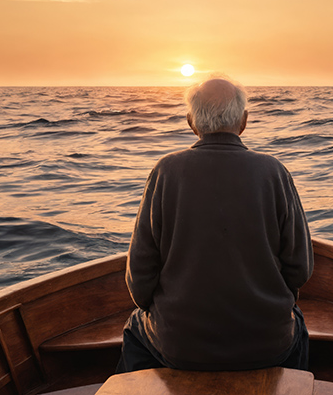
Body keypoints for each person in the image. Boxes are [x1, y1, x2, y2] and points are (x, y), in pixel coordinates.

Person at [116, 75, 313, 373]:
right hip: (267, 344)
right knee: (296, 330)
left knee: (134, 328)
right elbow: (300, 268)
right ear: (244, 121)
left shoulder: (165, 171)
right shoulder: (274, 172)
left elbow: (140, 277)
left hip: (178, 346)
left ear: (191, 123)